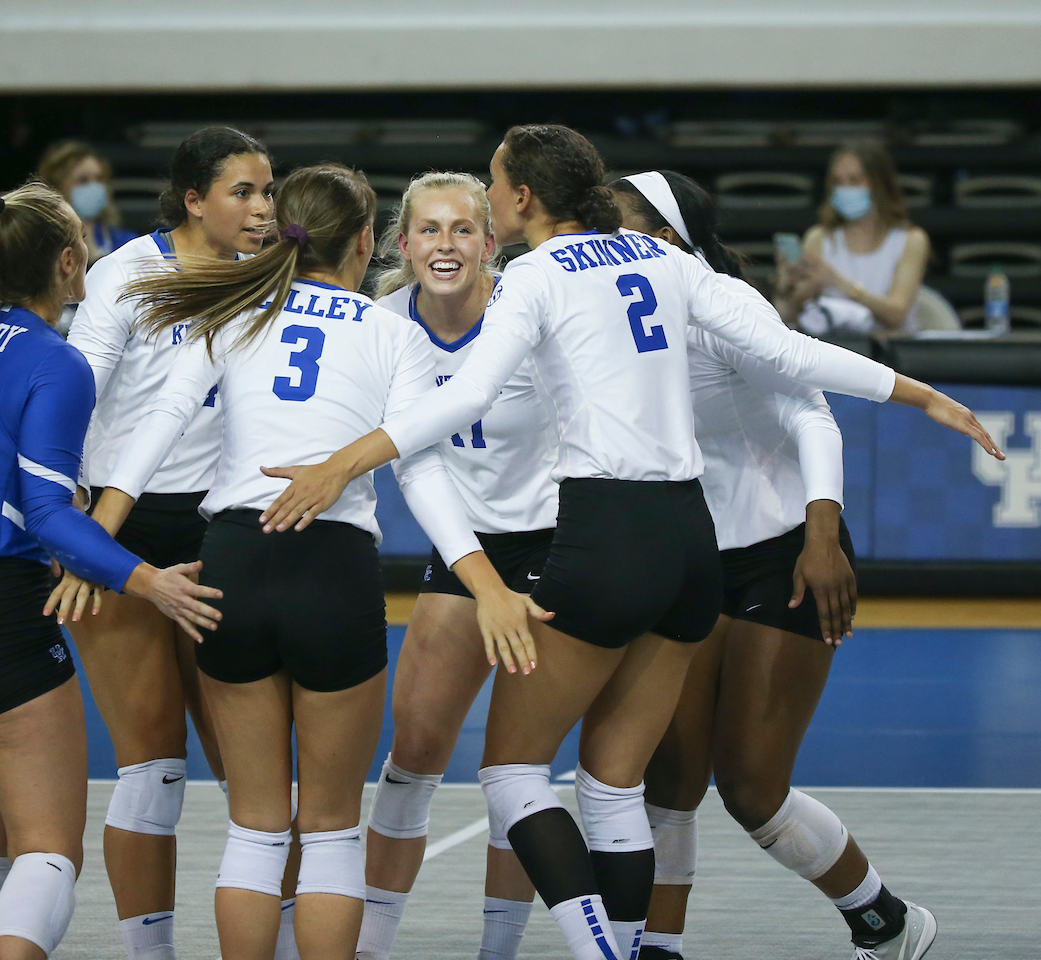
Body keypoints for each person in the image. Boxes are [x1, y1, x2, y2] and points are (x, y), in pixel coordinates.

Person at [257, 125, 1003, 960]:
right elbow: (787, 350)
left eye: (495, 187)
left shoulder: (533, 277)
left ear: (523, 198)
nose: (492, 198)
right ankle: (644, 947)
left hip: (608, 536)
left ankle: (600, 951)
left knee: (512, 774)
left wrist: (344, 461)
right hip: (692, 545)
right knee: (616, 788)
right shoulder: (663, 259)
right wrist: (922, 395)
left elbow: (463, 399)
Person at [83, 163, 546, 960]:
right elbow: (421, 471)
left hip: (234, 560)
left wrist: (93, 542)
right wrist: (485, 582)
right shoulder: (393, 332)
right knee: (330, 831)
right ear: (369, 241)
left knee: (255, 830)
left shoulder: (231, 314)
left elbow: (157, 426)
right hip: (333, 569)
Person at [0, 182, 221, 960]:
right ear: (66, 263)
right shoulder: (56, 362)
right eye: (82, 248)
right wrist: (148, 580)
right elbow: (49, 515)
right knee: (46, 852)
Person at [610, 170, 937, 960]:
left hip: (783, 549)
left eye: (614, 220)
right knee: (669, 780)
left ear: (666, 235)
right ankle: (660, 948)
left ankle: (886, 921)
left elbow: (810, 414)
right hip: (690, 557)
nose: (596, 233)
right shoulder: (608, 314)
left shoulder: (725, 304)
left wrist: (822, 540)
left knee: (753, 788)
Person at [48, 126, 274, 960]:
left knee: (254, 773)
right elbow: (74, 392)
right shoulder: (126, 274)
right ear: (192, 200)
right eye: (242, 192)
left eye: (268, 191)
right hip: (124, 523)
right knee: (153, 769)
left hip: (229, 529)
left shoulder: (271, 275)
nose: (262, 208)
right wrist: (75, 524)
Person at [356, 171, 555, 960]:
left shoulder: (530, 311)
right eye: (430, 230)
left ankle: (497, 951)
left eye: (462, 229)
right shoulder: (382, 325)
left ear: (490, 241)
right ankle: (370, 945)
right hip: (462, 546)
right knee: (413, 754)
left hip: (553, 542)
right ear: (403, 244)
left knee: (516, 769)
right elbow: (402, 456)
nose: (446, 245)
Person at [775, 140, 929, 336]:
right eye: (838, 182)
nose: (845, 189)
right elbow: (794, 316)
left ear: (880, 184)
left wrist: (836, 281)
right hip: (834, 347)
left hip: (891, 348)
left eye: (854, 180)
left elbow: (897, 313)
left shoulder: (911, 240)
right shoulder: (819, 238)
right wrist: (787, 289)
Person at [38, 139, 137, 265]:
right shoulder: (41, 244)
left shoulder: (127, 244)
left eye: (99, 179)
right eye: (83, 180)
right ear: (57, 188)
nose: (93, 187)